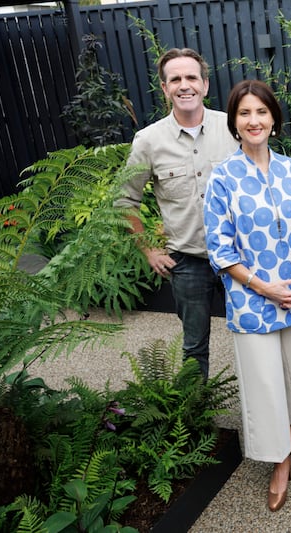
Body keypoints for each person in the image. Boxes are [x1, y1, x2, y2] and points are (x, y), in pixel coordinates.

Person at [203, 79, 291, 512]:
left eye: (261, 112)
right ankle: (278, 461)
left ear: (274, 119)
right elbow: (219, 249)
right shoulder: (222, 178)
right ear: (234, 123)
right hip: (252, 300)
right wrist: (262, 286)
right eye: (244, 113)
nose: (253, 121)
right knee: (264, 383)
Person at [117, 48, 238, 380]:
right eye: (176, 79)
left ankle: (259, 416)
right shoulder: (148, 141)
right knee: (194, 346)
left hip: (240, 258)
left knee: (253, 339)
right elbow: (124, 201)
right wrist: (148, 250)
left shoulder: (233, 128)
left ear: (205, 84)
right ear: (165, 87)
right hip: (187, 262)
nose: (185, 85)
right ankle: (197, 417)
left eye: (191, 78)